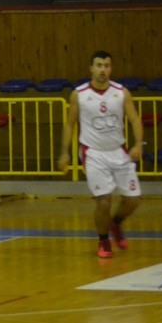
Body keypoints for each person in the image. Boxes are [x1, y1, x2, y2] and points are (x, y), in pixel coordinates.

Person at [58, 51, 143, 258]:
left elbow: (134, 119)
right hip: (93, 153)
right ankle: (103, 240)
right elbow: (69, 124)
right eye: (99, 65)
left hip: (119, 151)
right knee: (104, 201)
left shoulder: (121, 92)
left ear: (111, 69)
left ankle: (116, 224)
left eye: (106, 65)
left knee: (133, 200)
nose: (103, 69)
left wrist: (138, 145)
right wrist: (64, 153)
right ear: (91, 68)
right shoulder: (79, 94)